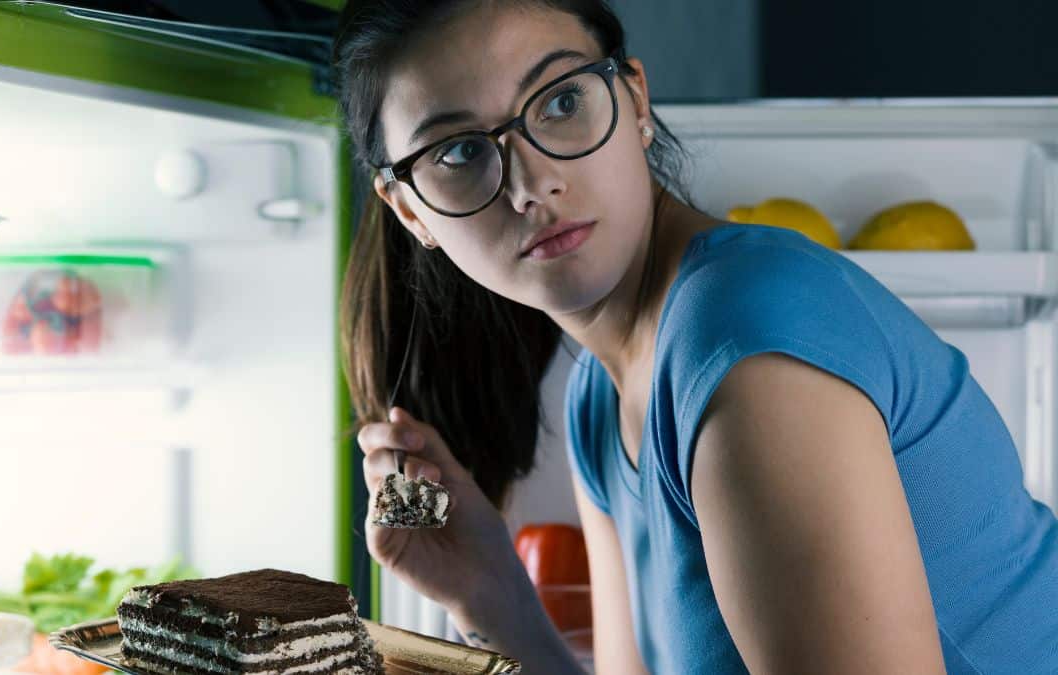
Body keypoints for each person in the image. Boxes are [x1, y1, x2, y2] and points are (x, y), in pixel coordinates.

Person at [333, 1, 1058, 673]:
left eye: (561, 101)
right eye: (458, 151)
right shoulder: (598, 394)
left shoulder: (746, 340)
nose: (531, 183)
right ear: (409, 212)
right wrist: (493, 596)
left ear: (637, 100)